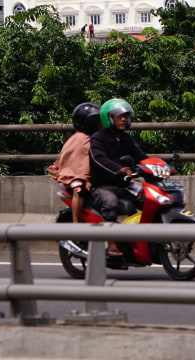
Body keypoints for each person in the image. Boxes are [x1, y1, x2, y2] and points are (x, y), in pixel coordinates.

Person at [48, 102, 121, 256]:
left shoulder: (96, 137)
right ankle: (76, 223)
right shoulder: (80, 139)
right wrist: (85, 178)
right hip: (74, 177)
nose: (102, 124)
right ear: (90, 122)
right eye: (98, 121)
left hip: (93, 178)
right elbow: (79, 162)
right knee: (79, 188)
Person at [89, 98, 148, 227]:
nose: (123, 119)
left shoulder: (126, 138)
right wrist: (119, 169)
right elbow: (99, 159)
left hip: (124, 185)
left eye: (126, 116)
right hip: (103, 186)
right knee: (110, 203)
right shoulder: (98, 138)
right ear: (108, 118)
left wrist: (159, 165)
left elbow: (140, 155)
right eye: (119, 116)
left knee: (148, 200)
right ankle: (112, 244)